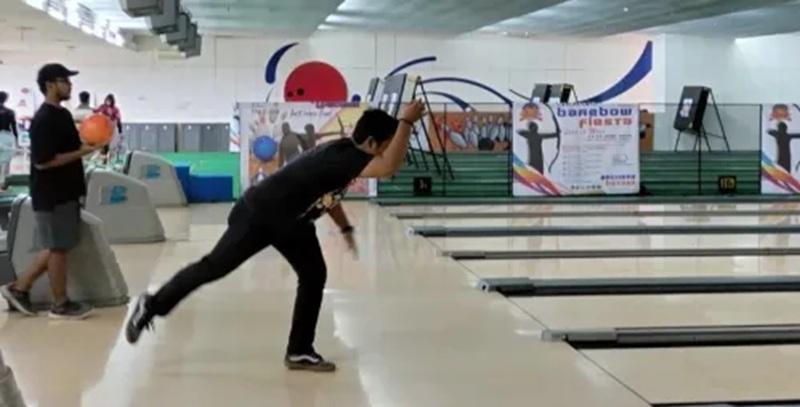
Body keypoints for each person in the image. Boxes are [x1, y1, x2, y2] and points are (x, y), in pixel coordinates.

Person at [125, 101, 427, 372]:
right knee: (214, 267)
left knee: (313, 274)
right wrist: (407, 123)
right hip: (262, 214)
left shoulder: (345, 154)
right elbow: (388, 168)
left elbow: (328, 194)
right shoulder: (345, 158)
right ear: (372, 142)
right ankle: (150, 305)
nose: (391, 149)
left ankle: (299, 351)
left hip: (292, 221)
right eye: (388, 144)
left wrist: (345, 227)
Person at [0, 63, 103, 319]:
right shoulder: (44, 119)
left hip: (66, 191)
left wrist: (89, 143)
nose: (70, 85)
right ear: (49, 85)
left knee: (59, 246)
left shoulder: (63, 115)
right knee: (57, 248)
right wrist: (83, 152)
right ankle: (60, 303)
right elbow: (42, 161)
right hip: (52, 193)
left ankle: (19, 288)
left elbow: (70, 145)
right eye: (64, 80)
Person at [94, 94, 122, 163]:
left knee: (111, 147)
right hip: (102, 129)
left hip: (111, 129)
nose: (108, 102)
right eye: (107, 100)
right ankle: (103, 158)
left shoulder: (115, 109)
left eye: (110, 100)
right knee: (102, 146)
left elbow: (118, 120)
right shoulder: (102, 107)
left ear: (112, 101)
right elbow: (95, 113)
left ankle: (107, 159)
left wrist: (120, 131)